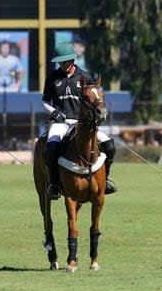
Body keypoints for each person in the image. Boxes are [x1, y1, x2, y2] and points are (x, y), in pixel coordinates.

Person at [41, 42, 117, 200]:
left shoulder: (85, 76)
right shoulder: (52, 78)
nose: (64, 65)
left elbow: (93, 99)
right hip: (61, 122)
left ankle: (105, 180)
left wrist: (95, 116)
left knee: (109, 146)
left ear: (73, 60)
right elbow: (45, 101)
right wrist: (55, 112)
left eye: (67, 61)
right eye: (61, 62)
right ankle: (54, 184)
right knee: (51, 149)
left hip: (82, 122)